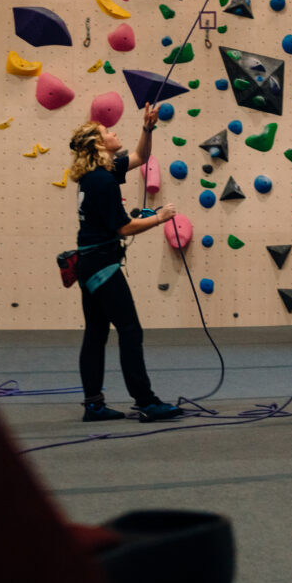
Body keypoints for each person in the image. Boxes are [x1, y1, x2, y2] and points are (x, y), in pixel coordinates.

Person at [68, 107, 183, 424]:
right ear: (98, 144)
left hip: (89, 263)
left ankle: (94, 405)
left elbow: (140, 157)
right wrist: (159, 218)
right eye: (107, 131)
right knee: (130, 330)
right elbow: (123, 228)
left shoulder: (98, 172)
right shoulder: (102, 180)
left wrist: (148, 128)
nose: (114, 132)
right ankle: (146, 402)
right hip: (102, 265)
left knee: (96, 333)